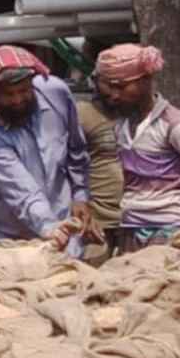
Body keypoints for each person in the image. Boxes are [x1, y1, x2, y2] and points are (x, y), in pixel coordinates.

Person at [94, 44, 180, 252]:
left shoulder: (175, 125)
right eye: (109, 88)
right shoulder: (122, 125)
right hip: (130, 228)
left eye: (120, 87)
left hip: (167, 230)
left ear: (145, 81)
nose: (114, 95)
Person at [0, 47, 92, 256]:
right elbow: (22, 192)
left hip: (62, 222)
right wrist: (49, 227)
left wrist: (80, 195)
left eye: (24, 91)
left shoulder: (56, 93)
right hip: (8, 236)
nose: (18, 100)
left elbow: (77, 149)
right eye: (9, 95)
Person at [74, 93, 126, 262]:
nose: (114, 90)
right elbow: (63, 163)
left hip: (135, 218)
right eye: (108, 83)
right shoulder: (82, 113)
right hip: (96, 221)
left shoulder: (138, 112)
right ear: (96, 79)